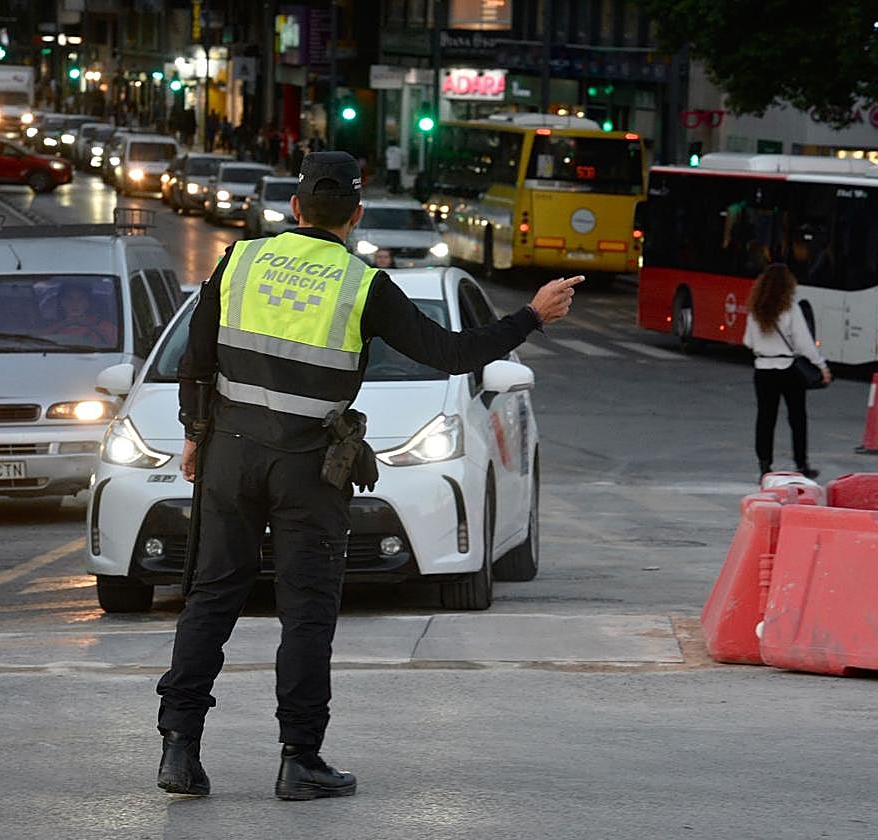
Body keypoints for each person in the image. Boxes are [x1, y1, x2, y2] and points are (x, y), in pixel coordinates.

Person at [156, 151, 581, 800]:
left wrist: (194, 434)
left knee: (212, 597)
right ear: (354, 216)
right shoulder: (362, 285)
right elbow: (448, 352)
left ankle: (179, 753)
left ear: (295, 209)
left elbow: (197, 359)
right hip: (309, 468)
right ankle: (300, 760)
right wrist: (532, 316)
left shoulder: (240, 260)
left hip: (232, 456)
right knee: (306, 611)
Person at [743, 263, 831, 481]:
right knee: (797, 417)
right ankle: (801, 464)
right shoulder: (791, 309)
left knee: (765, 418)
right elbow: (804, 343)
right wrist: (821, 365)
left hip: (763, 368)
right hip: (787, 369)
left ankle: (765, 466)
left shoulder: (756, 310)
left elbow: (747, 340)